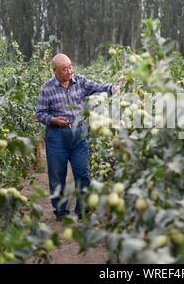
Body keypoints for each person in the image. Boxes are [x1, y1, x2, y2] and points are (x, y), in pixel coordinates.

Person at [36, 54, 121, 221]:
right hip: (56, 136)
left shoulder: (80, 81)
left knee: (82, 173)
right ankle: (60, 212)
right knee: (57, 174)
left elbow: (98, 88)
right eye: (64, 69)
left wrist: (113, 88)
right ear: (54, 71)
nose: (69, 71)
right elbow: (40, 113)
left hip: (79, 133)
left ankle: (82, 210)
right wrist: (53, 120)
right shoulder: (46, 88)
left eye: (70, 67)